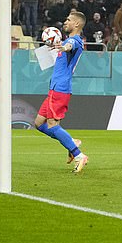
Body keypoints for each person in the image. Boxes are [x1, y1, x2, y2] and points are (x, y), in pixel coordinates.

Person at [34, 11, 89, 173]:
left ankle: (79, 155)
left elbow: (70, 46)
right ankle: (71, 142)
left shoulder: (75, 40)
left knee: (52, 124)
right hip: (55, 88)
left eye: (69, 20)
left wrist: (64, 47)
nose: (65, 22)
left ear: (77, 24)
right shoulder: (66, 41)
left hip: (61, 88)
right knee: (38, 123)